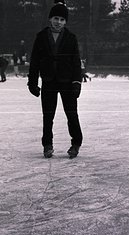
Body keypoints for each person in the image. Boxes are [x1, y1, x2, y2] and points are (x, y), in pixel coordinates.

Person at [27, 0, 83, 159]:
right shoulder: (41, 36)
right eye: (56, 18)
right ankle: (47, 145)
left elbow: (76, 62)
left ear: (65, 22)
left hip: (67, 82)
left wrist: (77, 82)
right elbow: (35, 61)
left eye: (62, 20)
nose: (59, 22)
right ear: (50, 19)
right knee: (48, 115)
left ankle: (76, 143)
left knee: (71, 114)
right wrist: (32, 82)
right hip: (48, 81)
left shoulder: (71, 38)